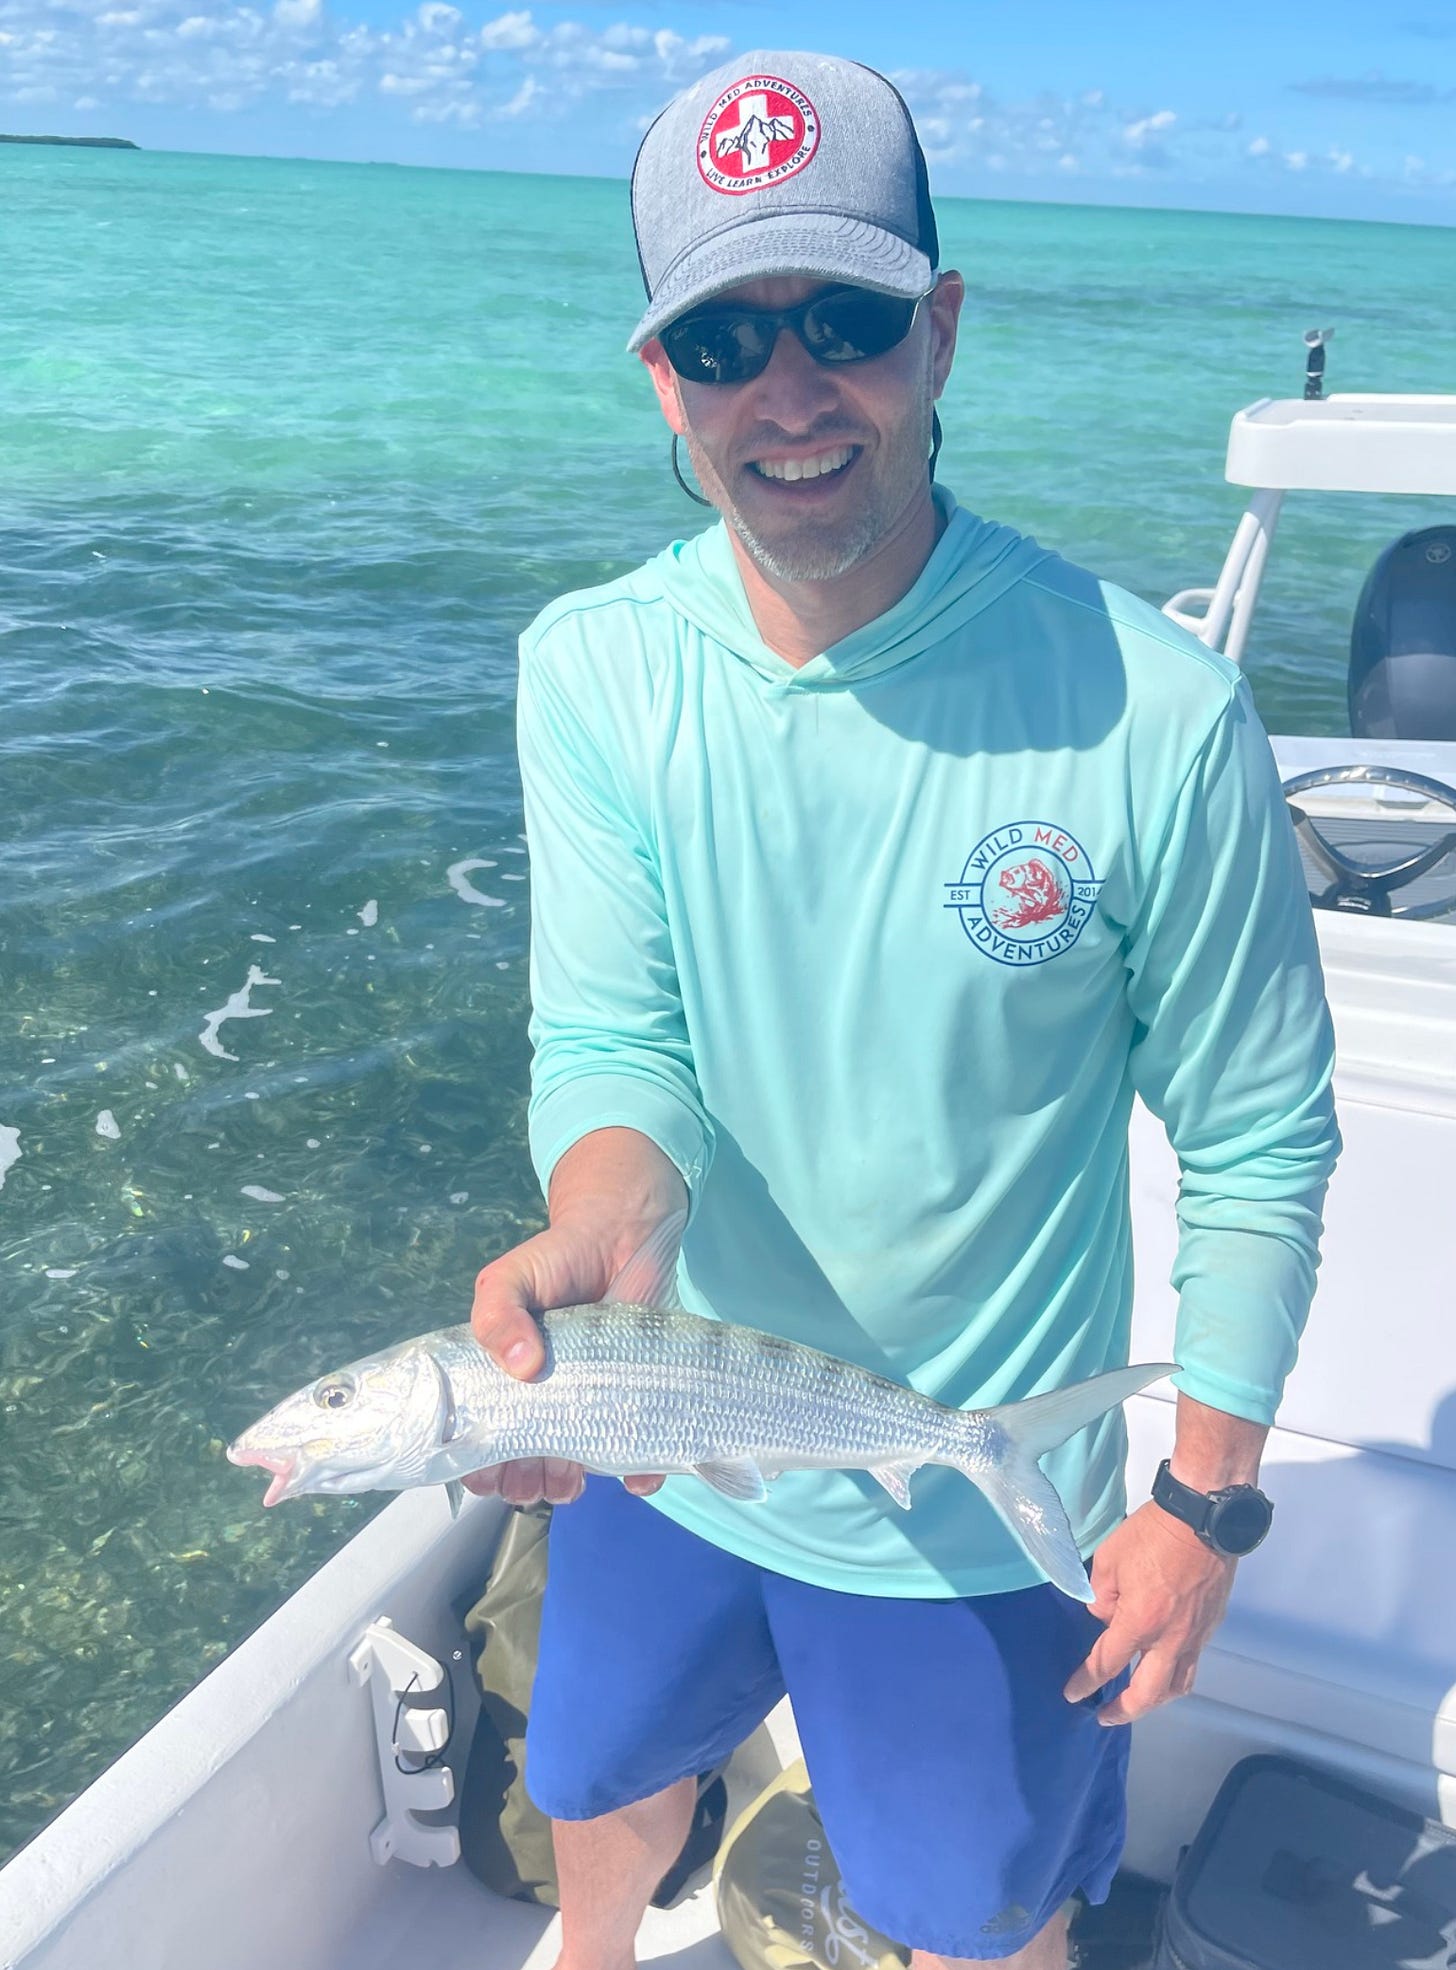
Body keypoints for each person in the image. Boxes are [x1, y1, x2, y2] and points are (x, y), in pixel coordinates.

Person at [463, 49, 1341, 1970]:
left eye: (845, 322)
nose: (788, 393)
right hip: (671, 1415)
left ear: (938, 331)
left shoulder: (1159, 714)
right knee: (593, 1764)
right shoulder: (592, 671)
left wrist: (1203, 1500)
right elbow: (617, 1043)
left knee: (978, 1915)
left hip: (972, 1480)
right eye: (724, 339)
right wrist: (604, 1227)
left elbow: (1259, 1135)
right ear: (665, 379)